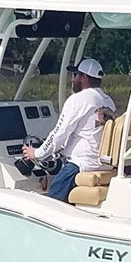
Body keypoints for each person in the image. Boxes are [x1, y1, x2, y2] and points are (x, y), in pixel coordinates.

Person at [22, 58, 116, 203]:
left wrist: (37, 153)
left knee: (51, 203)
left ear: (84, 77)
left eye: (75, 75)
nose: (73, 80)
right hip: (103, 163)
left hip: (81, 164)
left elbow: (59, 133)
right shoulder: (108, 101)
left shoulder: (78, 99)